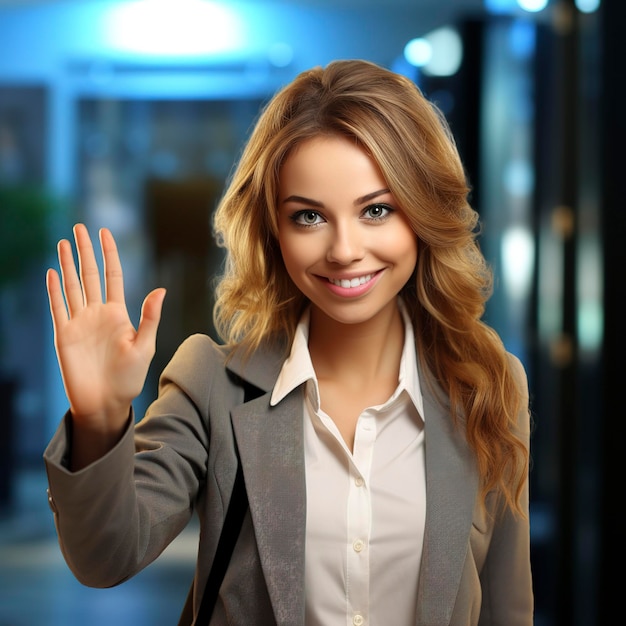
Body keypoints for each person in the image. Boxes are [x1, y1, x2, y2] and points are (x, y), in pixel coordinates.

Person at [43, 59, 534, 625]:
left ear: (423, 213)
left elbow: (506, 605)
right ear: (273, 232)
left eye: (376, 210)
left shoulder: (486, 384)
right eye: (308, 217)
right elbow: (105, 557)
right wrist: (100, 417)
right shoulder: (213, 386)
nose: (344, 250)